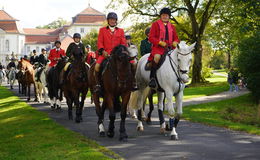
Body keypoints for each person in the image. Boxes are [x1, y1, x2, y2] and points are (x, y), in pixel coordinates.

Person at [94, 12, 127, 93]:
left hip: (118, 55)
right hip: (105, 53)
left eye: (114, 19)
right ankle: (98, 85)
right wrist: (102, 51)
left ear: (116, 21)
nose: (112, 21)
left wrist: (122, 52)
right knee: (97, 67)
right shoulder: (102, 30)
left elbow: (123, 43)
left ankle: (133, 83)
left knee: (133, 64)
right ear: (108, 21)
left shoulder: (121, 31)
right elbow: (100, 42)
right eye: (111, 19)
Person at [147, 7, 180, 89]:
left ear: (169, 16)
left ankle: (180, 79)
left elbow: (176, 38)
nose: (165, 17)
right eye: (163, 15)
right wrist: (159, 42)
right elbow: (151, 37)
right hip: (158, 48)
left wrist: (175, 42)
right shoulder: (155, 24)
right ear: (160, 16)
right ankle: (153, 78)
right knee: (157, 57)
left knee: (180, 58)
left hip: (170, 48)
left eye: (166, 15)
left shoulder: (172, 26)